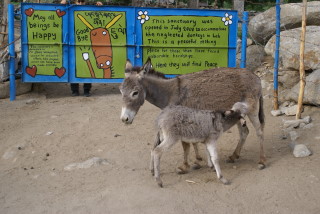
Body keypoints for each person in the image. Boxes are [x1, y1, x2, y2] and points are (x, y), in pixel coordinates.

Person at [61, 0, 103, 96]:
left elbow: (98, 16)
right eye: (78, 2)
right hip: (73, 44)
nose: (80, 4)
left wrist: (100, 6)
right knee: (73, 66)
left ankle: (86, 90)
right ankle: (74, 90)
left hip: (87, 44)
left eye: (82, 2)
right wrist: (62, 3)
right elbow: (60, 10)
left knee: (87, 67)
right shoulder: (70, 8)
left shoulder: (89, 11)